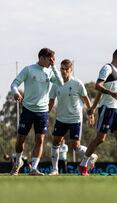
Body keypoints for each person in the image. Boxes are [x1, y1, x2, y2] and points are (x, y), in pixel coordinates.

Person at [79, 48, 117, 176]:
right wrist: (106, 97)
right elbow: (98, 86)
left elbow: (101, 90)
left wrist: (94, 106)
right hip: (107, 109)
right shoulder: (107, 68)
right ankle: (83, 164)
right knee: (100, 138)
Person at [10, 48, 63, 176]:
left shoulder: (50, 72)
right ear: (42, 58)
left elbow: (61, 83)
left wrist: (54, 67)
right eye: (50, 59)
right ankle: (18, 162)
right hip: (28, 109)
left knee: (40, 140)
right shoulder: (28, 69)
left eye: (53, 60)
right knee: (20, 139)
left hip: (43, 111)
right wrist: (16, 93)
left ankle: (33, 168)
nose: (51, 62)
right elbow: (14, 84)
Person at [48, 59, 97, 175]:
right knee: (55, 142)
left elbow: (86, 100)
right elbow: (51, 101)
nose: (64, 71)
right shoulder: (56, 84)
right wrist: (46, 114)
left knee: (76, 146)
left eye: (66, 69)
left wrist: (91, 114)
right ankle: (55, 169)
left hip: (75, 119)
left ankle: (92, 155)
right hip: (60, 118)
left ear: (71, 70)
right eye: (62, 69)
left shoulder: (77, 83)